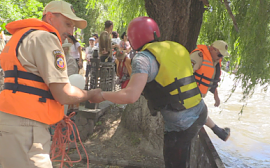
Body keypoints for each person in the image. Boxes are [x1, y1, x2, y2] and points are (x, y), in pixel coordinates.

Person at [0, 1, 101, 167]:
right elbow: (63, 93)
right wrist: (90, 94)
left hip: (10, 126)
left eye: (73, 26)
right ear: (49, 17)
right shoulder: (46, 38)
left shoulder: (24, 36)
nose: (71, 32)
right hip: (27, 131)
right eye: (67, 24)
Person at [89, 16, 208, 168]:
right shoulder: (176, 47)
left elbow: (131, 95)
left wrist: (101, 95)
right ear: (155, 33)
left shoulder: (143, 58)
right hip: (200, 111)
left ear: (132, 39)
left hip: (181, 124)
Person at [190, 40, 231, 141]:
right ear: (212, 49)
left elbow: (212, 80)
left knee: (201, 111)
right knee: (202, 111)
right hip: (189, 94)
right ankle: (220, 132)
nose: (220, 57)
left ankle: (220, 132)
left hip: (197, 95)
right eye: (219, 54)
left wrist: (216, 96)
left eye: (222, 56)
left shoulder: (215, 60)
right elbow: (185, 74)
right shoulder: (199, 56)